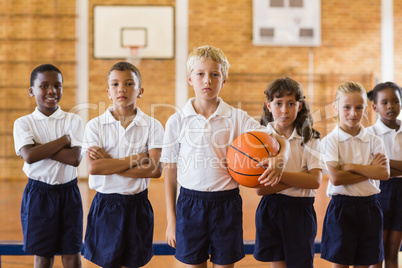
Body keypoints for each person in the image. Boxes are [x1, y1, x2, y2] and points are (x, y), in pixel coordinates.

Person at [162, 45, 289, 268]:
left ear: (224, 79)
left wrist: (281, 158)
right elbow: (170, 172)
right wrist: (171, 221)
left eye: (214, 74)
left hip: (226, 203)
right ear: (190, 79)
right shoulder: (177, 121)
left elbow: (279, 139)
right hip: (190, 204)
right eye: (200, 74)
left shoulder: (237, 118)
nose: (207, 81)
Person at [82, 62, 164, 267]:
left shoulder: (153, 125)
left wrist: (109, 166)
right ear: (108, 92)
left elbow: (154, 170)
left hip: (138, 205)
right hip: (106, 205)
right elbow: (94, 168)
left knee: (135, 263)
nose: (122, 89)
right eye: (115, 84)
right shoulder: (95, 126)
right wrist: (137, 158)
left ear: (140, 90)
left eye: (129, 83)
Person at [13, 64, 84, 268]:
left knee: (72, 253)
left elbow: (74, 159)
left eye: (57, 86)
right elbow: (29, 156)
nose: (52, 91)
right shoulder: (23, 123)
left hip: (68, 193)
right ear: (31, 90)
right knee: (43, 256)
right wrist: (65, 140)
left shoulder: (74, 120)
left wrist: (39, 149)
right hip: (38, 194)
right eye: (44, 86)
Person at [253, 77, 325, 268]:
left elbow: (315, 181)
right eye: (278, 104)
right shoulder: (260, 138)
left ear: (299, 106)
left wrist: (277, 175)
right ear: (269, 106)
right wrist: (301, 177)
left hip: (301, 211)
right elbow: (261, 190)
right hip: (271, 209)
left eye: (291, 103)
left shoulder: (310, 138)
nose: (284, 110)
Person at [320, 81, 390, 268]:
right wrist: (369, 169)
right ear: (335, 108)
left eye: (359, 108)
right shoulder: (330, 141)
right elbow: (336, 178)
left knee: (365, 263)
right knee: (340, 263)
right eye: (347, 107)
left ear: (366, 108)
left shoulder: (375, 141)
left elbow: (383, 174)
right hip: (341, 209)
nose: (353, 113)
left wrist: (350, 166)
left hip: (370, 207)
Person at [366, 82, 402, 268]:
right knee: (376, 252)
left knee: (393, 252)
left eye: (395, 101)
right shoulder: (369, 134)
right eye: (385, 102)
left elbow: (382, 166)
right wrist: (385, 169)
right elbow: (376, 170)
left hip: (401, 192)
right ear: (375, 106)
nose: (390, 106)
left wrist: (385, 165)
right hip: (379, 191)